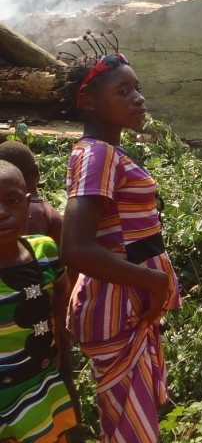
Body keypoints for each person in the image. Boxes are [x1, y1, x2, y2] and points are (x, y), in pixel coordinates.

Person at [61, 49, 181, 442]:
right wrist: (154, 284)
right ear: (88, 102)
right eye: (124, 90)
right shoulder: (96, 156)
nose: (138, 98)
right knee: (127, 427)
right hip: (117, 305)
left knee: (131, 419)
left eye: (138, 88)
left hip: (129, 305)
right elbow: (76, 248)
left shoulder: (108, 152)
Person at [0, 140, 83, 435]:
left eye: (12, 201)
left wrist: (59, 333)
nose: (2, 212)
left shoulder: (44, 252)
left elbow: (62, 287)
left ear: (27, 200)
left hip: (42, 385)